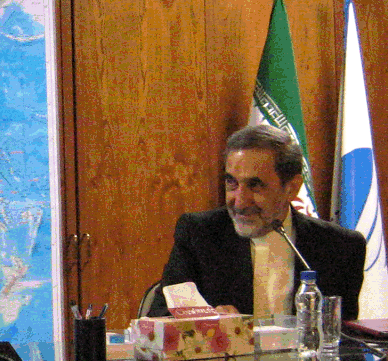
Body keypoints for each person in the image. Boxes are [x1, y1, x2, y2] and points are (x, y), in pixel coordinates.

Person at [156, 124, 366, 319]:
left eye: (255, 185)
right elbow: (160, 316)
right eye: (232, 183)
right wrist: (205, 322)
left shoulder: (340, 247)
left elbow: (343, 334)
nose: (239, 201)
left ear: (291, 188)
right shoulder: (200, 234)